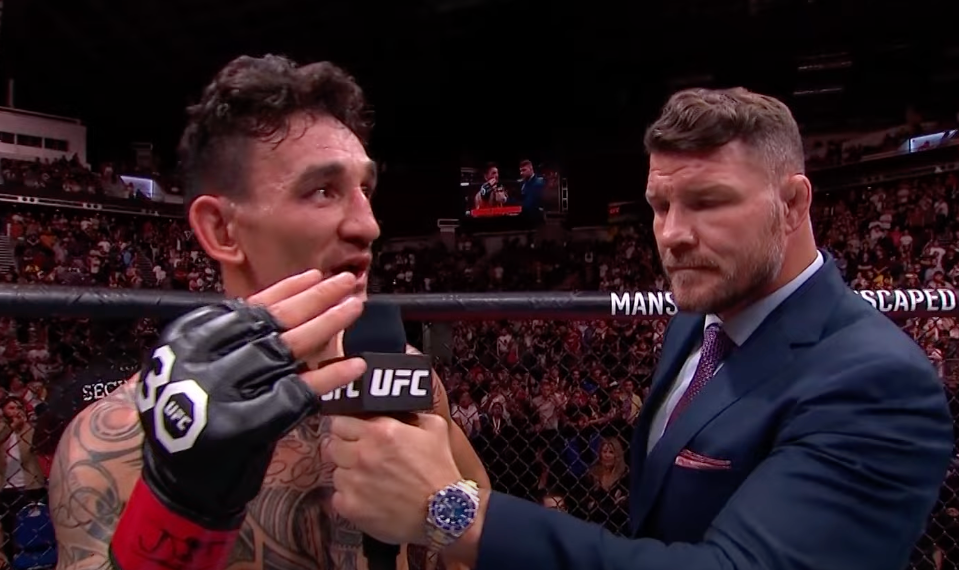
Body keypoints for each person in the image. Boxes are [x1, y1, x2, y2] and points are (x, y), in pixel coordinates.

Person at [320, 87, 955, 570]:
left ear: (792, 205)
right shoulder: (696, 321)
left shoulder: (877, 383)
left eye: (707, 202)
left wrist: (454, 513)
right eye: (660, 205)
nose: (673, 234)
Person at [48, 55, 489, 570]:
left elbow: (476, 532)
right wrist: (178, 502)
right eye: (322, 191)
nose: (368, 225)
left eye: (365, 190)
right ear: (222, 230)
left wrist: (442, 513)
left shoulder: (406, 376)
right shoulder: (115, 440)